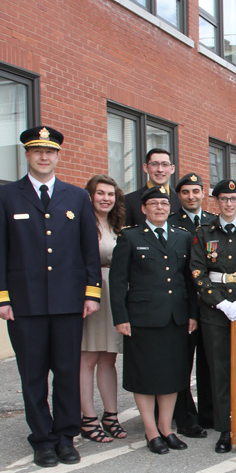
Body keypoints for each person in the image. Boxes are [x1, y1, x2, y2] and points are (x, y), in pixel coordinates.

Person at [0, 126, 102, 467]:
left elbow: (88, 249)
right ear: (27, 155)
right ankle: (42, 439)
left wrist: (91, 292)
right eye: (37, 151)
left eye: (49, 152)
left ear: (57, 156)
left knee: (66, 371)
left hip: (68, 302)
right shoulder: (5, 197)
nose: (43, 157)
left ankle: (66, 436)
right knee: (33, 374)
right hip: (25, 304)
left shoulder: (77, 196)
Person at [110, 186, 198, 455]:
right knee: (145, 375)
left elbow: (189, 280)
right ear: (144, 209)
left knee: (173, 376)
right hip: (143, 319)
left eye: (164, 203)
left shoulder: (183, 237)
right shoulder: (130, 236)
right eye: (154, 204)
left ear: (170, 208)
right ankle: (150, 430)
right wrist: (120, 317)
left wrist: (193, 313)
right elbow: (117, 281)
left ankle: (166, 428)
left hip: (175, 317)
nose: (160, 208)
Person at [190, 179, 236, 454]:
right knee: (219, 371)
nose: (229, 204)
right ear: (216, 201)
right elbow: (197, 270)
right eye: (223, 199)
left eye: (233, 199)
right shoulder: (204, 232)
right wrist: (219, 302)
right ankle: (224, 430)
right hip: (215, 311)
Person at [79, 175, 126, 444]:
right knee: (87, 359)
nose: (106, 198)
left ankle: (111, 415)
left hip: (114, 295)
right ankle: (87, 418)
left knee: (109, 358)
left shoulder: (116, 225)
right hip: (91, 294)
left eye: (110, 194)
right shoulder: (83, 226)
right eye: (100, 193)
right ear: (90, 196)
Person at [169, 172, 215, 438]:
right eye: (185, 192)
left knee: (209, 363)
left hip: (211, 304)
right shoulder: (171, 222)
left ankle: (209, 414)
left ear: (202, 193)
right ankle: (185, 417)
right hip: (183, 304)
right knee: (182, 364)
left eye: (195, 191)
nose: (191, 196)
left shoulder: (212, 221)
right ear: (180, 196)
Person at [124, 148, 179, 227]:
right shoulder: (129, 201)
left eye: (165, 164)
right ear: (146, 167)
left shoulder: (181, 200)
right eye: (154, 164)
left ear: (172, 169)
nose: (160, 169)